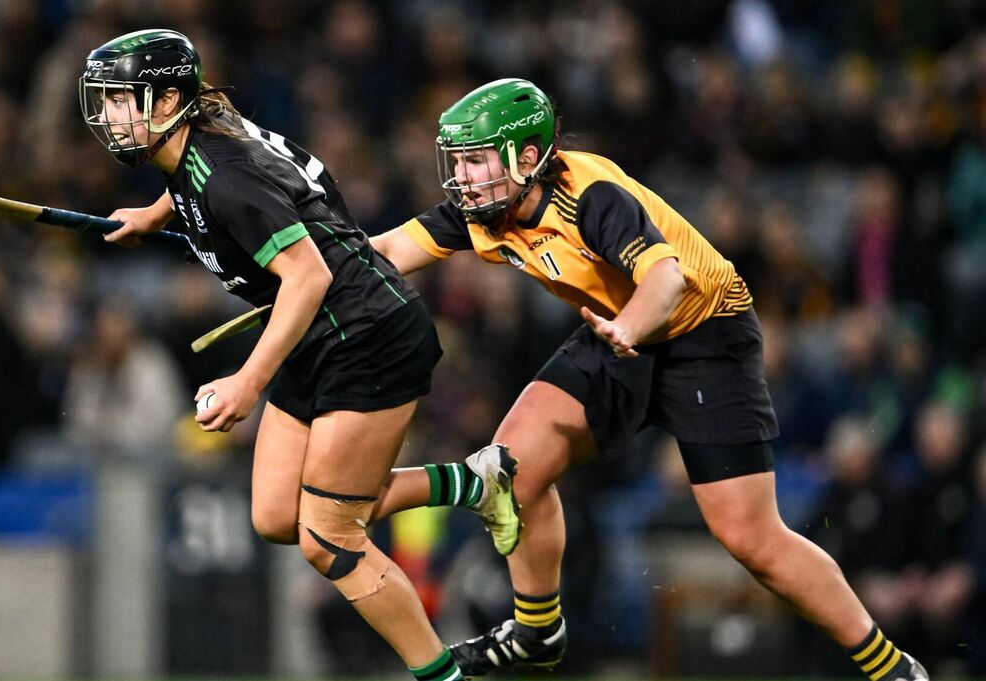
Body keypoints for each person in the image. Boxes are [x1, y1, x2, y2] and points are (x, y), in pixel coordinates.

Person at [370, 78, 929, 681]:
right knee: (511, 467)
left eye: (475, 159)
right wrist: (290, 271)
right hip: (617, 331)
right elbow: (384, 251)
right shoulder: (486, 209)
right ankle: (537, 630)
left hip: (701, 334)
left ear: (526, 157)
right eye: (457, 160)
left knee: (751, 539)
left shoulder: (591, 195)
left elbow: (665, 280)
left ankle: (892, 667)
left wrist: (628, 330)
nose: (461, 175)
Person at [79, 29, 518, 681]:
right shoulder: (208, 141)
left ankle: (445, 675)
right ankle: (471, 481)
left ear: (170, 100)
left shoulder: (222, 171)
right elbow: (271, 184)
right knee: (279, 514)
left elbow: (308, 274)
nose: (110, 115)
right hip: (318, 331)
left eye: (123, 99)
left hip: (368, 334)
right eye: (107, 100)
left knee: (329, 537)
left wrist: (247, 382)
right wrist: (154, 213)